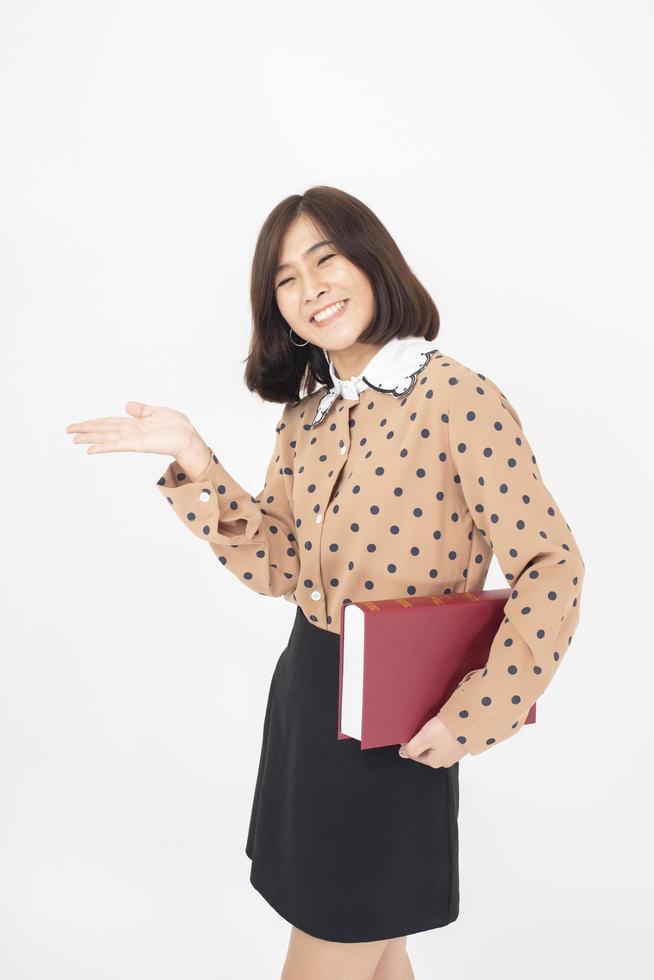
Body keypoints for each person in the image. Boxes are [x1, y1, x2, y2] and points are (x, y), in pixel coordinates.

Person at [65, 185, 585, 980]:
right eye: (284, 279)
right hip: (309, 695)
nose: (310, 288)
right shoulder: (305, 419)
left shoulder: (457, 398)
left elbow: (551, 566)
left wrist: (482, 710)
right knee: (378, 958)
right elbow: (277, 565)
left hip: (400, 726)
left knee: (331, 954)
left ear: (370, 259)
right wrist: (197, 459)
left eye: (325, 258)